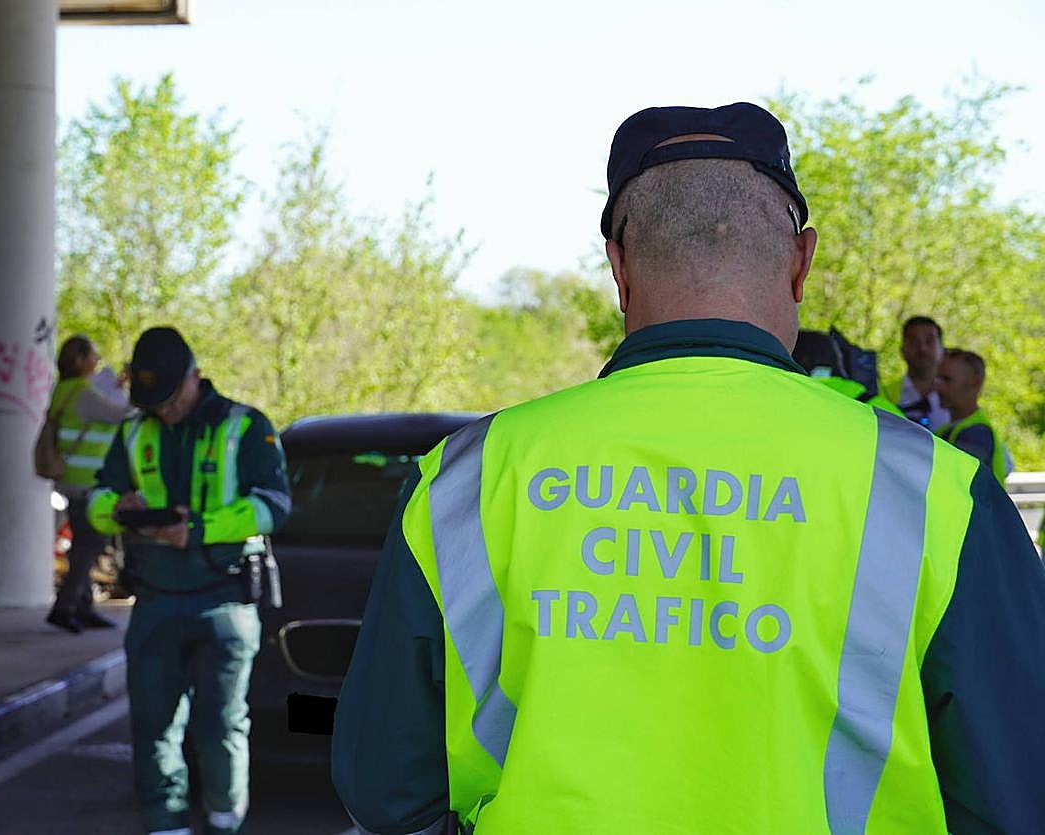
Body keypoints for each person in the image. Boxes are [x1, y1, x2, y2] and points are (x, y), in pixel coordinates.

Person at [331, 103, 1045, 833]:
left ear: (618, 270)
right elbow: (1017, 788)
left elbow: (386, 784)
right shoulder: (935, 493)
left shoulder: (467, 480)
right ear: (801, 263)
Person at [88, 326, 291, 835]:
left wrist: (197, 530)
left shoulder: (245, 426)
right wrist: (120, 508)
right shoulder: (135, 431)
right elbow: (96, 500)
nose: (164, 410)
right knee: (152, 724)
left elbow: (272, 506)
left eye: (170, 398)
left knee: (220, 725)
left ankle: (225, 822)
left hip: (225, 601)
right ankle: (166, 823)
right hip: (155, 598)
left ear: (195, 376)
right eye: (153, 402)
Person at [45, 334, 133, 633]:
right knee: (91, 543)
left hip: (73, 478)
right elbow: (119, 415)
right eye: (93, 355)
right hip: (87, 479)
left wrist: (117, 386)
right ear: (80, 360)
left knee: (84, 542)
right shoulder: (82, 391)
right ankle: (66, 606)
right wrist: (134, 390)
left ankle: (83, 607)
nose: (97, 361)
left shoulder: (65, 389)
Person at [934, 348, 1011, 485]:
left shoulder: (977, 433)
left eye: (947, 379)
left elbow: (949, 482)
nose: (937, 386)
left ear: (975, 383)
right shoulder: (948, 429)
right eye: (938, 378)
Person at [880, 315, 951, 429]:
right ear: (902, 350)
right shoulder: (885, 395)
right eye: (914, 342)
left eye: (929, 341)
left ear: (943, 349)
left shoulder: (958, 396)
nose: (922, 348)